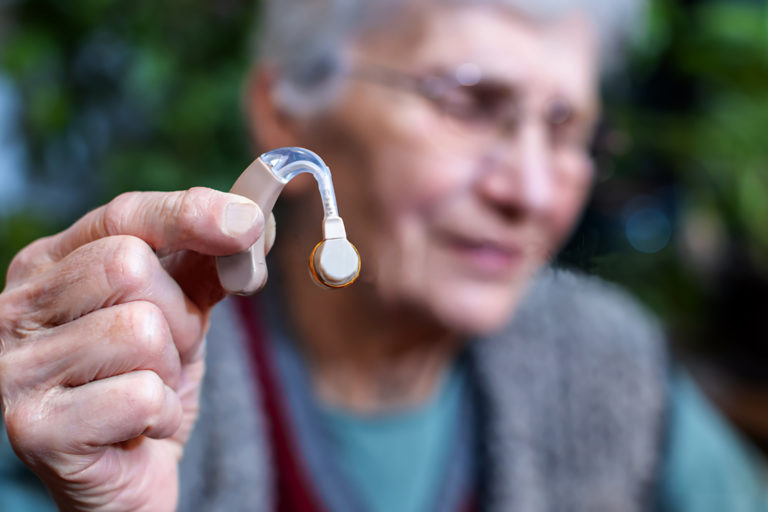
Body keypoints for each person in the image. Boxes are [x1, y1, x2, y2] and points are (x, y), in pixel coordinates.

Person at [0, 0, 767, 511]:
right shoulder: (130, 388)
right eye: (469, 102)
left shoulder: (607, 365)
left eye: (567, 130)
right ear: (282, 109)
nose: (533, 190)